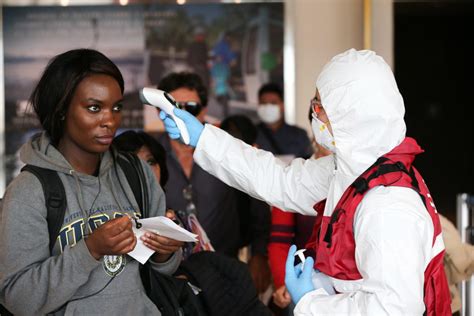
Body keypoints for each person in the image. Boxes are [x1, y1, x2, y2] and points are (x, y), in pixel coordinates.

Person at [159, 49, 451, 315]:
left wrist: (312, 301)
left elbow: (393, 309)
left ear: (350, 115)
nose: (314, 113)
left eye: (321, 106)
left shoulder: (387, 203)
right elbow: (282, 181)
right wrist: (204, 138)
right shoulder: (355, 172)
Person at [0, 49, 183, 315]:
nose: (109, 121)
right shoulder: (29, 191)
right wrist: (90, 250)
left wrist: (164, 252)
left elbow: (162, 270)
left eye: (116, 107)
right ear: (61, 110)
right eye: (94, 108)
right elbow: (18, 298)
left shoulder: (136, 173)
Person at [155, 72, 271, 292]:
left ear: (204, 110)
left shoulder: (224, 149)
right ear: (159, 111)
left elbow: (256, 198)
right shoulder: (149, 156)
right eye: (172, 107)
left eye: (190, 107)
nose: (180, 114)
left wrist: (259, 254)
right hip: (170, 276)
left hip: (226, 271)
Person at [269, 108, 332, 315]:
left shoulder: (358, 174)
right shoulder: (297, 174)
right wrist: (282, 284)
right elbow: (280, 239)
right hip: (303, 282)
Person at [219, 114, 272, 295]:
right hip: (217, 254)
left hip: (246, 252)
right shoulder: (212, 168)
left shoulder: (253, 169)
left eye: (239, 140)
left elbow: (261, 215)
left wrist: (259, 255)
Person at [255, 83, 313, 161]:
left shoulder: (299, 135)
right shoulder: (251, 134)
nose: (268, 107)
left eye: (273, 103)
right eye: (264, 103)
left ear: (282, 105)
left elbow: (308, 163)